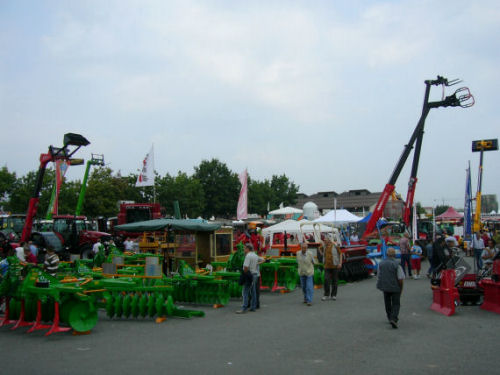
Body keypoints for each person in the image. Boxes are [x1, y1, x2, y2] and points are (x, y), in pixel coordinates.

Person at [376, 247, 405, 329]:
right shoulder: (397, 265)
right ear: (394, 255)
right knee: (396, 303)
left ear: (387, 254)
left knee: (387, 302)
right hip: (395, 286)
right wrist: (401, 288)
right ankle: (394, 318)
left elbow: (379, 275)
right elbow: (400, 278)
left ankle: (389, 317)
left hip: (385, 286)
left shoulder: (381, 263)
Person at [236, 243, 260, 314]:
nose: (243, 250)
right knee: (253, 291)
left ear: (248, 249)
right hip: (255, 274)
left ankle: (244, 308)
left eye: (244, 248)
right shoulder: (255, 255)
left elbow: (246, 267)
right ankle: (253, 307)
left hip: (249, 274)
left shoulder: (248, 256)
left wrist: (245, 273)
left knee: (245, 292)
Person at [321, 236, 343, 301]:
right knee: (326, 279)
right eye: (324, 240)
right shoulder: (324, 247)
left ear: (329, 241)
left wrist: (340, 263)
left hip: (335, 265)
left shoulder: (335, 246)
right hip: (327, 266)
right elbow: (323, 254)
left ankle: (333, 295)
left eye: (325, 240)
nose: (324, 241)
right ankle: (326, 294)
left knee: (335, 281)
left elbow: (340, 254)